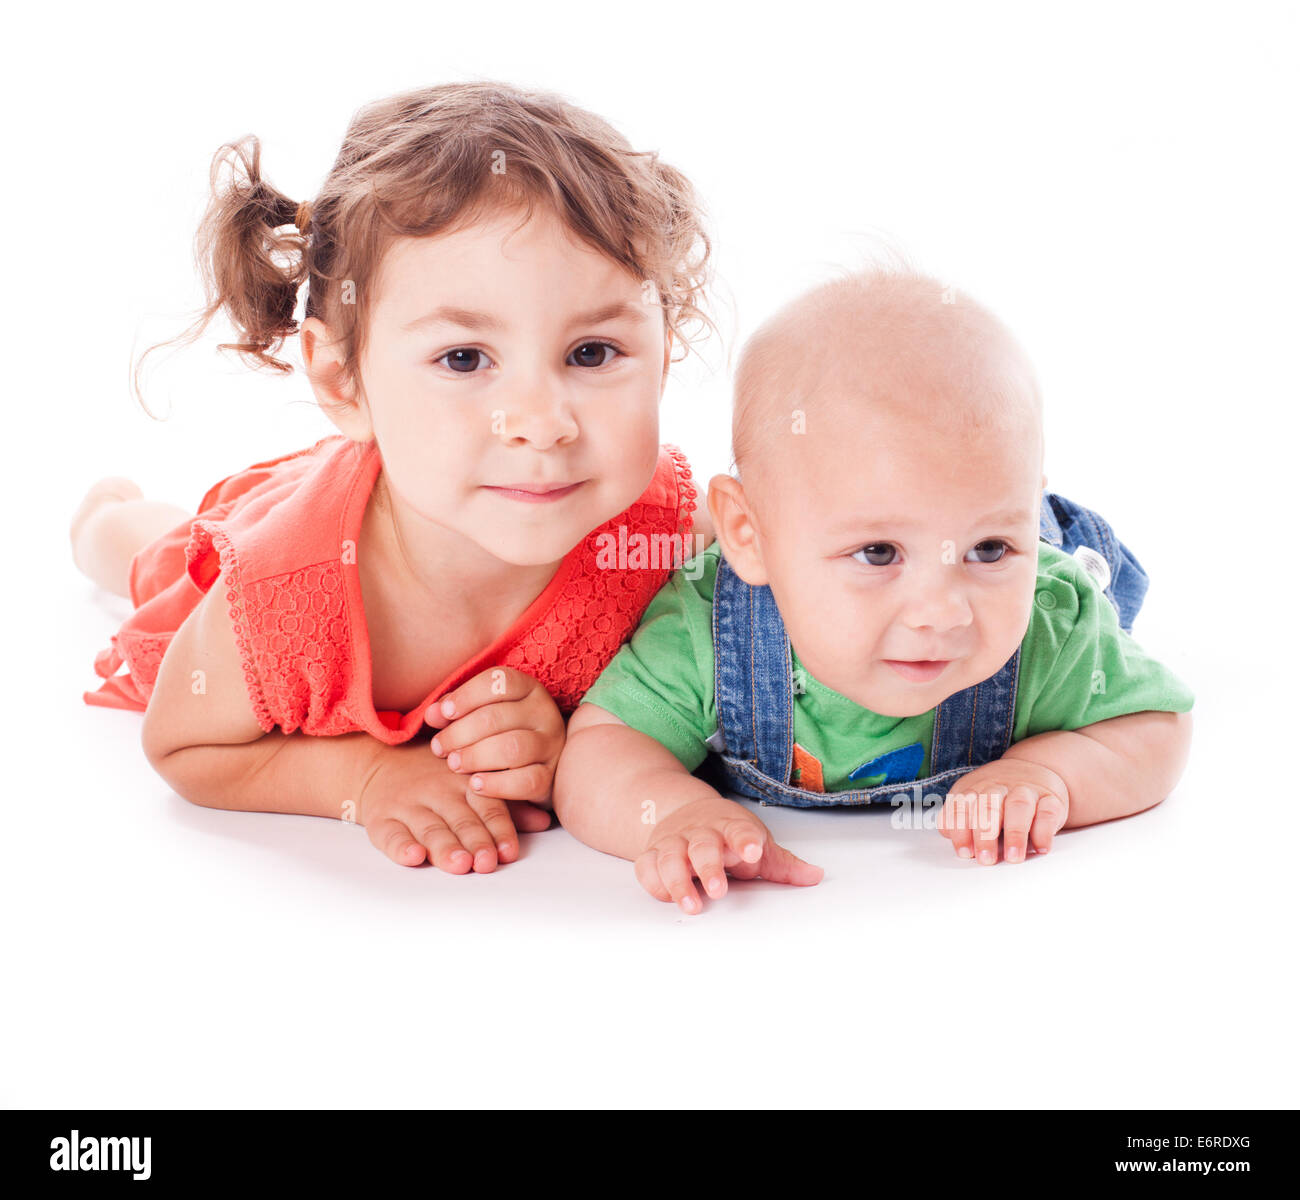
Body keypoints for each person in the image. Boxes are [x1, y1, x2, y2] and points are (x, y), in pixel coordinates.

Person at [71, 81, 713, 873]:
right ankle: (107, 520)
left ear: (664, 352)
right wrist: (365, 777)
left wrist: (570, 738)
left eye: (591, 353)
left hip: (386, 481)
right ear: (343, 382)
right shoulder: (279, 603)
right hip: (287, 539)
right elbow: (182, 745)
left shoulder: (667, 534)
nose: (542, 422)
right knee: (162, 558)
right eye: (464, 359)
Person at [554, 263, 1194, 914]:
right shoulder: (709, 626)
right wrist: (672, 813)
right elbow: (604, 746)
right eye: (878, 553)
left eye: (990, 549)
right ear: (749, 535)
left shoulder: (1047, 624)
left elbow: (1156, 723)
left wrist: (1051, 773)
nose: (941, 611)